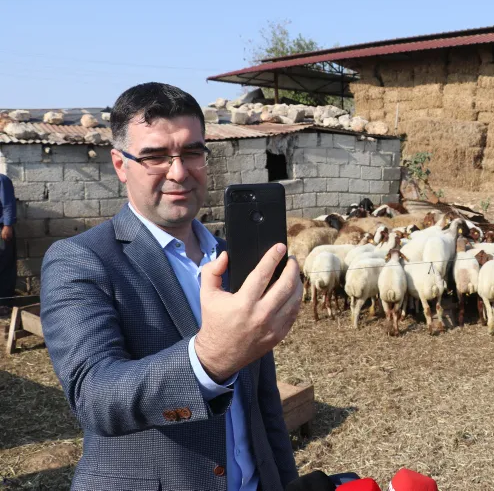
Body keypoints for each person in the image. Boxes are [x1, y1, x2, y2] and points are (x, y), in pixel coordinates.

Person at [40, 82, 302, 491]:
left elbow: (262, 401)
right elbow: (95, 398)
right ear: (120, 164)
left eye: (192, 152)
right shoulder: (81, 260)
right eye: (155, 156)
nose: (179, 172)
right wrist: (211, 358)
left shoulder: (235, 260)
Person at [0, 172, 17, 301]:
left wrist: (7, 225)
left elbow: (8, 203)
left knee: (4, 263)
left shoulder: (2, 180)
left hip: (2, 229)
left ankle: (5, 301)